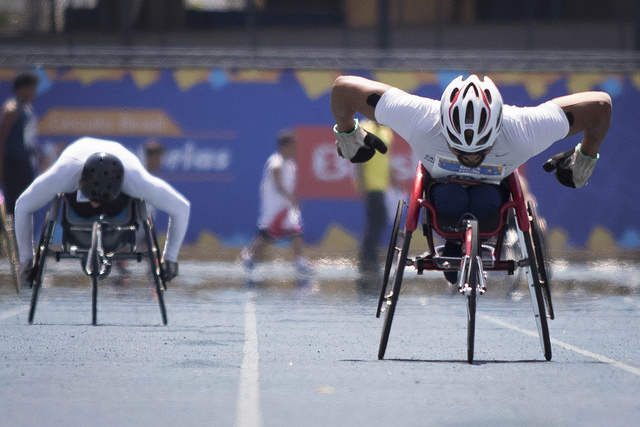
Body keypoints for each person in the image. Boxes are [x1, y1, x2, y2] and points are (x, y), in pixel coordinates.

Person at [331, 74, 611, 282]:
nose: (470, 157)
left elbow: (601, 106)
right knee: (452, 197)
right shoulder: (420, 117)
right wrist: (346, 134)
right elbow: (342, 88)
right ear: (442, 124)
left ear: (499, 128)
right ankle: (453, 243)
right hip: (442, 200)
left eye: (481, 150)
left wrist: (585, 157)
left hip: (492, 201)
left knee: (486, 199)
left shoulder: (523, 128)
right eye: (459, 149)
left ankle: (478, 243)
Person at [15, 137, 191, 285]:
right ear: (81, 182)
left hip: (119, 196)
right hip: (76, 160)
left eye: (101, 201)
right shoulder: (64, 174)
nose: (96, 206)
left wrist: (169, 259)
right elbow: (22, 205)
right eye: (92, 199)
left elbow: (181, 207)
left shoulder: (136, 179)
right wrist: (27, 260)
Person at [242, 131, 312, 274]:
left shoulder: (291, 164)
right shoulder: (276, 162)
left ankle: (300, 262)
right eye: (292, 147)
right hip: (274, 208)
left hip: (286, 208)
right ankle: (249, 257)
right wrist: (292, 199)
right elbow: (278, 183)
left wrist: (293, 199)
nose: (295, 150)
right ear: (284, 147)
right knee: (265, 236)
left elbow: (290, 185)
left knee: (296, 231)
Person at [355, 120, 397, 276]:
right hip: (371, 183)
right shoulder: (365, 128)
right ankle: (367, 257)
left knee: (376, 220)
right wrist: (361, 182)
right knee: (378, 219)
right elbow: (359, 157)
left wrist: (395, 180)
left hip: (382, 185)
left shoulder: (387, 132)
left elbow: (387, 159)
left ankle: (368, 257)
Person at [0, 71, 40, 215]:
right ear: (21, 89)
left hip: (26, 164)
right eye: (31, 89)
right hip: (13, 164)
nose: (34, 92)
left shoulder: (28, 109)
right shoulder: (12, 109)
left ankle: (23, 236)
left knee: (26, 203)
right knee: (14, 205)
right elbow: (1, 139)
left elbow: (28, 139)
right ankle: (12, 236)